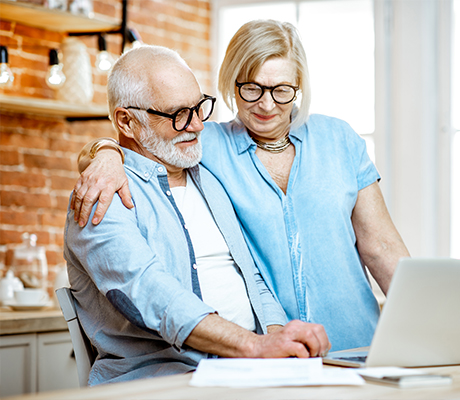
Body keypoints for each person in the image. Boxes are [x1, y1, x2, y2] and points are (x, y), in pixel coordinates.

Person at [70, 20, 410, 352]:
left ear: (299, 86)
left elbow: (380, 245)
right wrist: (105, 153)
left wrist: (430, 324)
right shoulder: (208, 144)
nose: (266, 104)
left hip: (355, 340)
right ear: (232, 83)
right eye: (252, 88)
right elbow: (144, 143)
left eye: (281, 90)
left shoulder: (339, 140)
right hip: (277, 350)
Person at [63, 45, 329, 386]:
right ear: (127, 121)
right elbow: (152, 294)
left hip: (248, 368)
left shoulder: (209, 179)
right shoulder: (101, 195)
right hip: (166, 378)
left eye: (199, 107)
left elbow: (251, 279)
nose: (198, 125)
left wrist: (280, 342)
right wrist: (255, 346)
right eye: (178, 114)